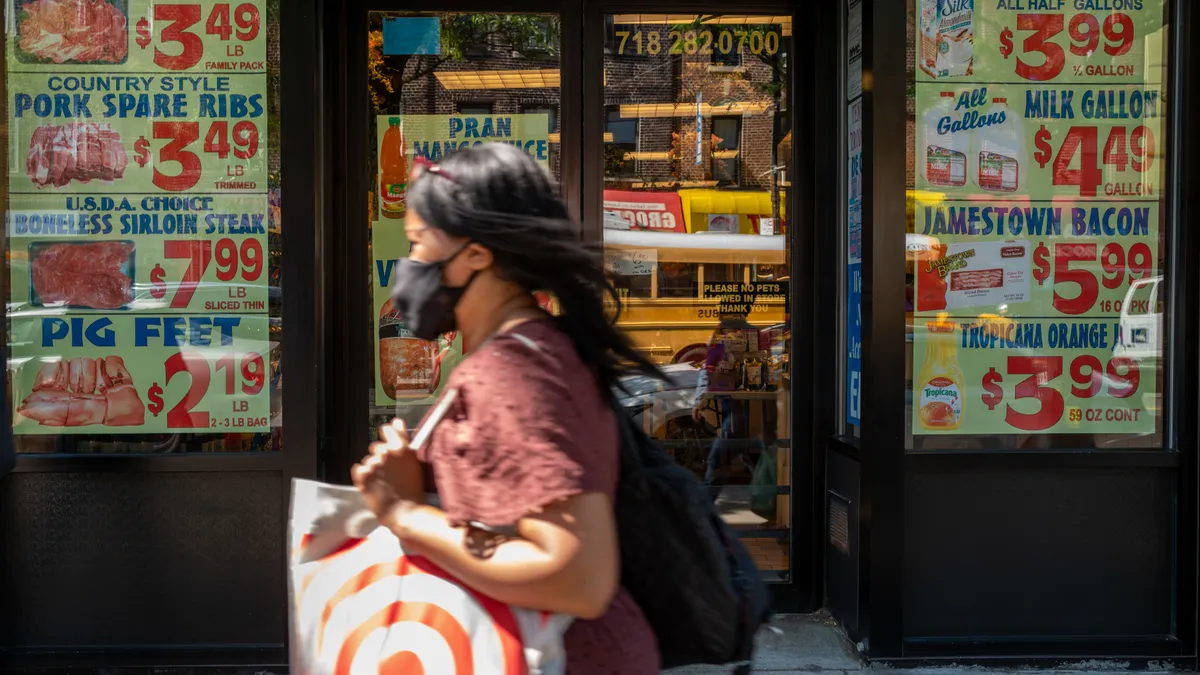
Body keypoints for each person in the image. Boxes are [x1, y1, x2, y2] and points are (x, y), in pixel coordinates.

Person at [352, 143, 662, 675]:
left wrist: (404, 511)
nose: (411, 266)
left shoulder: (514, 369)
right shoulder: (534, 350)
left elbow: (580, 577)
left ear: (477, 253)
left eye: (419, 244)